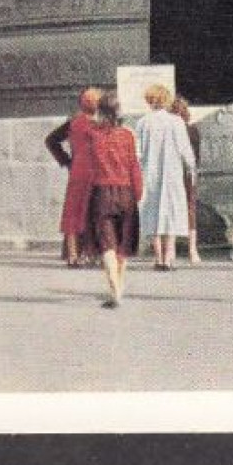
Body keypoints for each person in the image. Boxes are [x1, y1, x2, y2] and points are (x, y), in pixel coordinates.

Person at [85, 91, 144, 308]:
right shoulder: (128, 135)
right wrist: (138, 193)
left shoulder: (93, 135)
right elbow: (134, 167)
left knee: (106, 244)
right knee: (122, 244)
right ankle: (119, 283)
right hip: (126, 192)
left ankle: (115, 290)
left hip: (101, 193)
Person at [134, 83, 196, 270]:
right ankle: (169, 257)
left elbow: (137, 152)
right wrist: (191, 168)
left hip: (150, 173)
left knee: (152, 212)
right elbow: (185, 149)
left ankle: (158, 258)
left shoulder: (142, 122)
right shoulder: (176, 122)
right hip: (172, 174)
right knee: (171, 212)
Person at [45, 87, 102, 266]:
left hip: (77, 171)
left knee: (73, 212)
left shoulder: (73, 123)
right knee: (94, 213)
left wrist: (67, 161)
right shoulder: (102, 124)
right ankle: (91, 253)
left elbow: (51, 140)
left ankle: (72, 255)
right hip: (96, 172)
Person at [170, 97, 205, 264]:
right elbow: (196, 157)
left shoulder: (168, 130)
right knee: (190, 210)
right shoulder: (192, 130)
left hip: (172, 173)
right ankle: (192, 250)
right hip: (188, 173)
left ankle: (170, 251)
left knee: (170, 208)